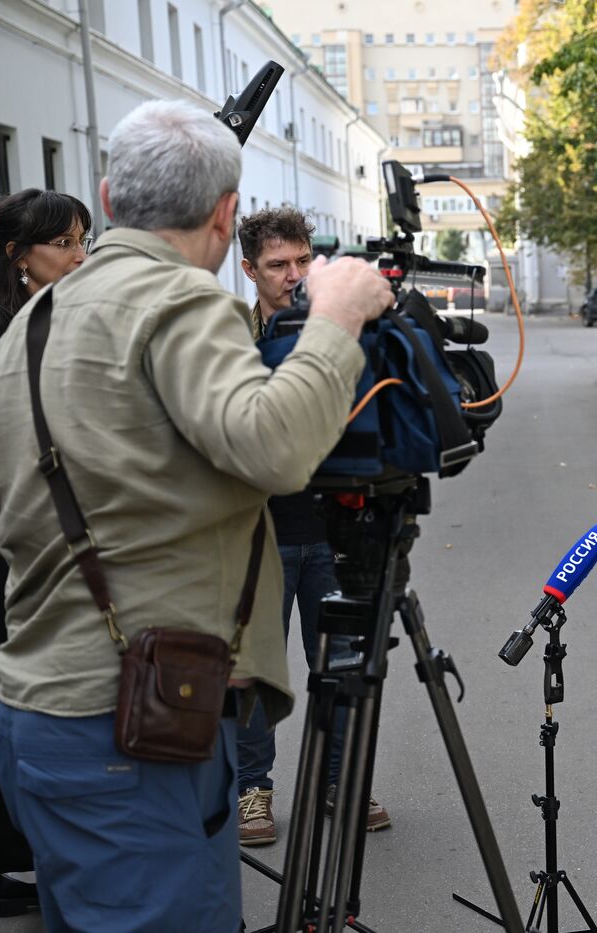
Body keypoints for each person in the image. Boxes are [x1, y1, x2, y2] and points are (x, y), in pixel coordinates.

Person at [0, 100, 393, 931]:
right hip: (135, 729)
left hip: (38, 716)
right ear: (225, 214)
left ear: (108, 193)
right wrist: (338, 320)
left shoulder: (30, 325)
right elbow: (274, 448)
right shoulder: (179, 302)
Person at [234, 206, 391, 845]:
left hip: (333, 532)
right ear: (249, 270)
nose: (294, 276)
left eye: (302, 261)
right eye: (278, 265)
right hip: (259, 534)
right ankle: (252, 790)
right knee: (254, 674)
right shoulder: (231, 342)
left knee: (341, 664)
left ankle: (338, 781)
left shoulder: (338, 327)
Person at [0, 188, 92, 920]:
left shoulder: (58, 317)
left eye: (85, 239)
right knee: (5, 707)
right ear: (20, 258)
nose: (82, 256)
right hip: (0, 555)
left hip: (43, 543)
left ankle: (33, 861)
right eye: (66, 244)